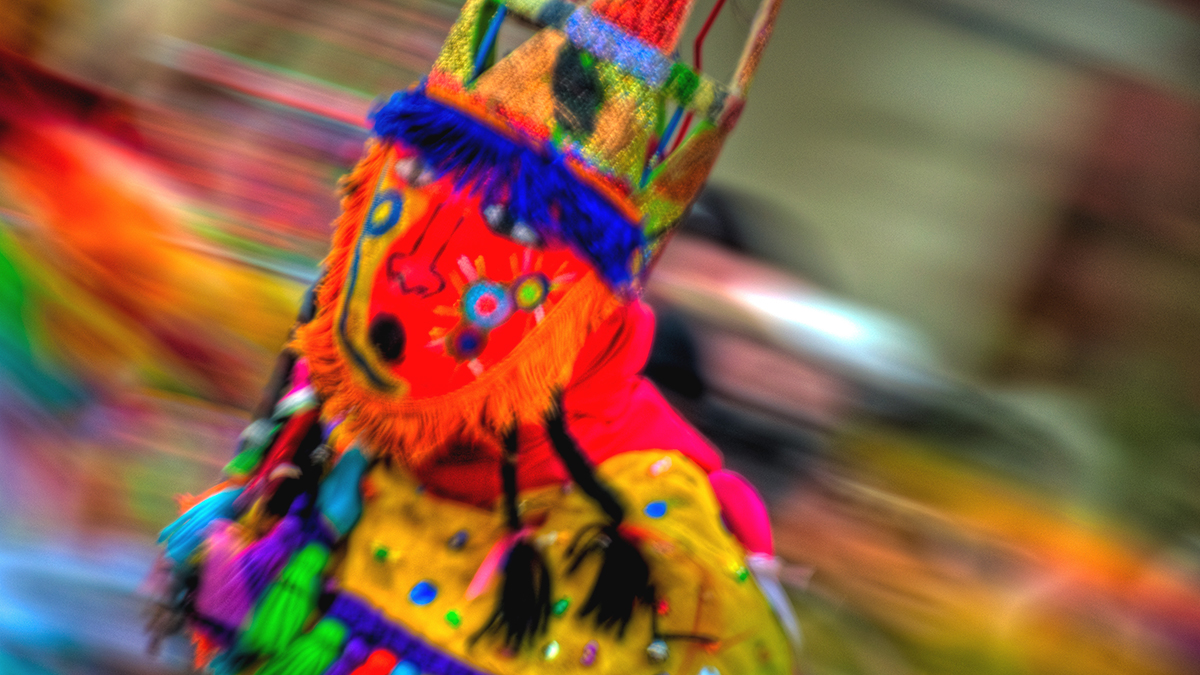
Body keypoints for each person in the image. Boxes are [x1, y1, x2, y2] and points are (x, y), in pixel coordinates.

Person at [152, 0, 797, 672]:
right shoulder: (333, 416)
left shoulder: (664, 547)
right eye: (417, 177)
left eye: (513, 226)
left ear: (586, 299)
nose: (419, 266)